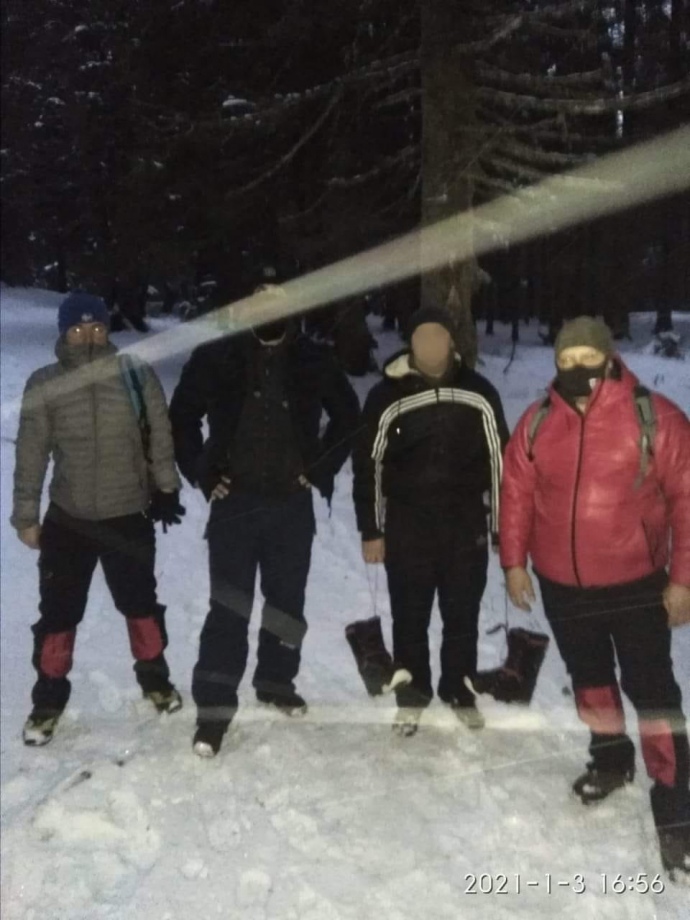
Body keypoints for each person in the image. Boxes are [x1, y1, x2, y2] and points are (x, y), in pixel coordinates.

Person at [500, 315, 690, 879]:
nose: (576, 367)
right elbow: (516, 494)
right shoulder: (537, 422)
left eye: (587, 356)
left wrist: (683, 579)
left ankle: (676, 800)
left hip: (636, 584)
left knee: (652, 689)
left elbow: (687, 500)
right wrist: (513, 563)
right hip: (563, 585)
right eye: (566, 359)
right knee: (590, 680)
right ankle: (610, 759)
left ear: (609, 358)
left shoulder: (656, 417)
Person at [170, 285, 361, 758]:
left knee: (287, 605)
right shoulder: (218, 356)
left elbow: (348, 417)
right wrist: (203, 471)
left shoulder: (313, 358)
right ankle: (214, 710)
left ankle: (276, 681)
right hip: (235, 503)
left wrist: (320, 467)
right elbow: (182, 416)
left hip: (290, 505)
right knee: (228, 608)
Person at [11, 291, 186, 747]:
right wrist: (26, 515)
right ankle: (48, 700)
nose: (87, 336)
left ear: (106, 330)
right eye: (77, 329)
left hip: (127, 514)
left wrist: (166, 486)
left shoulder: (135, 373)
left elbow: (159, 432)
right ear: (63, 332)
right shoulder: (44, 382)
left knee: (140, 605)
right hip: (68, 519)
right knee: (58, 613)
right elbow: (31, 453)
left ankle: (156, 681)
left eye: (96, 328)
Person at [353, 305, 509, 737]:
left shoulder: (479, 392)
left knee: (462, 615)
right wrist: (372, 529)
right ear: (411, 342)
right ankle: (413, 695)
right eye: (422, 336)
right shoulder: (386, 396)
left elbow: (501, 463)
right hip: (408, 524)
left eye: (438, 335)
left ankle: (458, 690)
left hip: (465, 524)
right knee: (410, 616)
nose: (431, 344)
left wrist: (502, 529)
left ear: (452, 340)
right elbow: (369, 466)